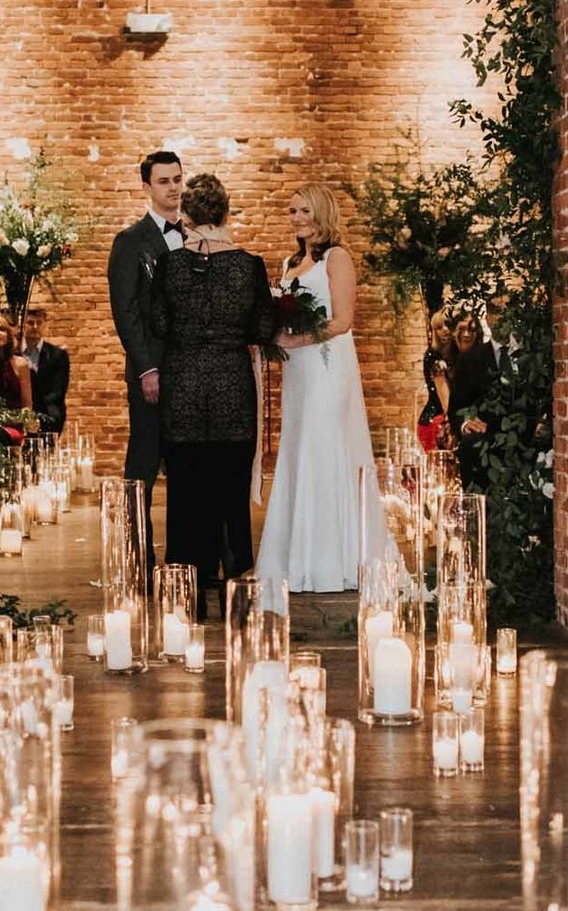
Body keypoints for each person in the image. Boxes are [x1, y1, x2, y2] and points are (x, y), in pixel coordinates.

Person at [150, 173, 276, 613]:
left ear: (186, 215)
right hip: (231, 391)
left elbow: (159, 325)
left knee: (185, 491)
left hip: (183, 387)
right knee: (230, 492)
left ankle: (187, 592)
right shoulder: (249, 266)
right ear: (225, 213)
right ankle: (233, 587)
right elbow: (263, 329)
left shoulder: (170, 266)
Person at [256, 181, 385, 592]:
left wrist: (295, 339)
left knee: (324, 448)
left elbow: (343, 321)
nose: (296, 219)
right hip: (299, 373)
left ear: (322, 214)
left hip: (328, 369)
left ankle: (332, 558)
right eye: (292, 211)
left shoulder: (337, 257)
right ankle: (296, 556)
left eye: (304, 211)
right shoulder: (289, 261)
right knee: (298, 448)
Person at [106, 149, 185, 563]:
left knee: (185, 470)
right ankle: (137, 558)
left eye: (177, 180)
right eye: (163, 182)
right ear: (146, 187)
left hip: (189, 373)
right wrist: (146, 368)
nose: (172, 188)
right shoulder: (131, 241)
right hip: (150, 373)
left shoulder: (192, 238)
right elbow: (126, 312)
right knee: (143, 465)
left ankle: (183, 560)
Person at [447, 306, 497, 491]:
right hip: (479, 448)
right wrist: (465, 424)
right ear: (489, 317)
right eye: (497, 310)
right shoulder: (469, 359)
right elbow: (455, 409)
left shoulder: (529, 356)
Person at [20, 306, 70, 436]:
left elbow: (58, 391)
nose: (35, 327)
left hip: (48, 412)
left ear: (45, 325)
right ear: (23, 325)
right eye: (30, 323)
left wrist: (38, 414)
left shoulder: (58, 355)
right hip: (20, 410)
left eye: (39, 323)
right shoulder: (14, 352)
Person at [416, 307, 455, 452]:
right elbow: (443, 397)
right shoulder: (433, 355)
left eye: (447, 325)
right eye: (439, 328)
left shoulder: (453, 354)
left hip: (441, 419)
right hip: (435, 421)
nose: (444, 330)